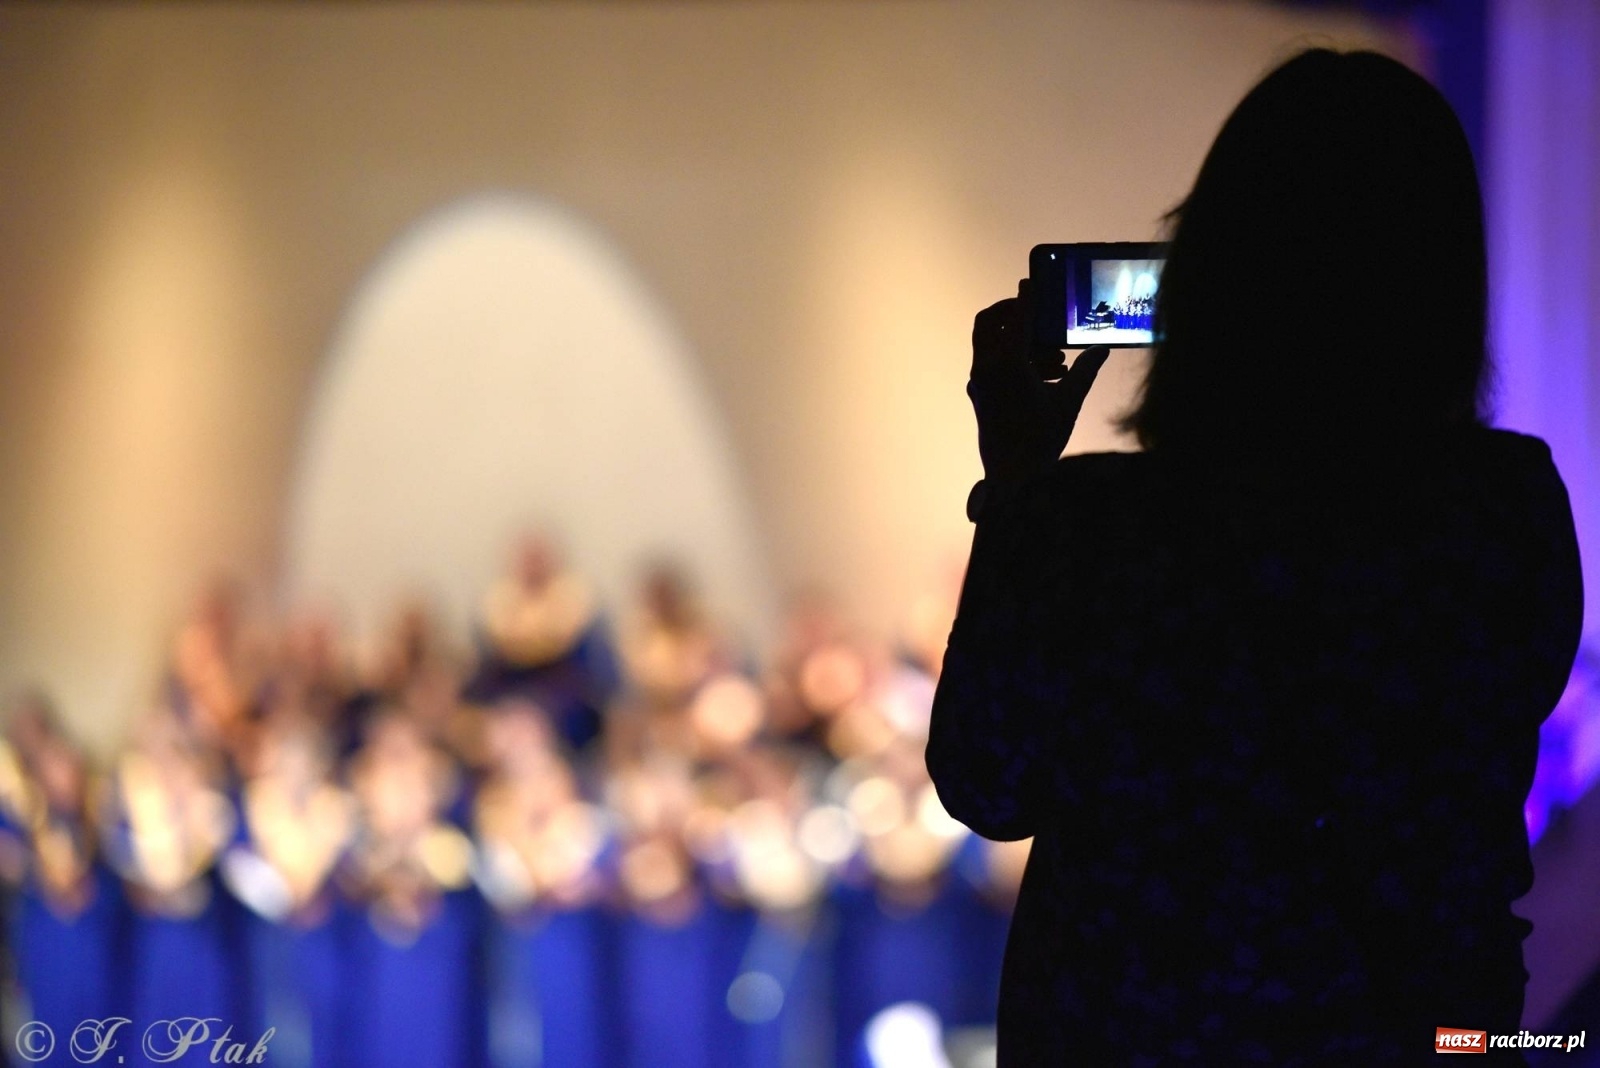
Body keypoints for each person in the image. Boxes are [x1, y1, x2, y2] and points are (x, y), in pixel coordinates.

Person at [927, 49, 1583, 1065]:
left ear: (1204, 274)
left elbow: (985, 784)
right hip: (1427, 1036)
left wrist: (1014, 488)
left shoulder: (1096, 525)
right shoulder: (1501, 510)